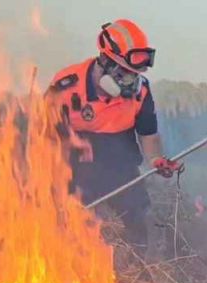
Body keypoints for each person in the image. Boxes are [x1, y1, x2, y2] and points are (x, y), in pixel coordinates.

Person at [46, 19, 183, 251]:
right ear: (105, 62)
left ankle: (139, 272)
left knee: (138, 220)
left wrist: (155, 160)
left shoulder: (141, 92)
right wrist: (70, 144)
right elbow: (45, 132)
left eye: (135, 74)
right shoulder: (66, 86)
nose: (131, 81)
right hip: (74, 164)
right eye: (125, 73)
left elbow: (148, 134)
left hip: (121, 163)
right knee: (72, 226)